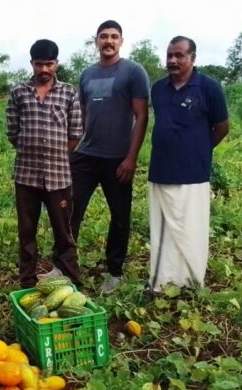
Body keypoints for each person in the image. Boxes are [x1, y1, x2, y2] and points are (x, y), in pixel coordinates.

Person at [68, 20, 150, 294]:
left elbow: (142, 116)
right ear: (96, 41)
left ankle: (114, 271)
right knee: (69, 211)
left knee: (120, 216)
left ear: (121, 41)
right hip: (86, 155)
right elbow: (80, 115)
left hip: (118, 158)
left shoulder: (133, 72)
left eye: (114, 36)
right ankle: (65, 266)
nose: (109, 41)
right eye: (104, 36)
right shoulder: (87, 74)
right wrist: (71, 149)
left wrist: (131, 157)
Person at [148, 36, 229, 291]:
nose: (173, 60)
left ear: (192, 57)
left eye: (179, 55)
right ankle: (161, 282)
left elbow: (222, 128)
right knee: (162, 232)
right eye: (170, 55)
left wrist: (198, 149)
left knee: (190, 229)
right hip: (160, 171)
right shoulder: (158, 88)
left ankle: (192, 282)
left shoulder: (209, 88)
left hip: (194, 173)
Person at [6, 39, 82, 289]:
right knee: (27, 232)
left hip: (58, 176)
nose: (44, 70)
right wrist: (33, 151)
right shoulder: (18, 92)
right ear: (32, 64)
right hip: (26, 176)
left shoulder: (69, 92)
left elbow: (75, 133)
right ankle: (27, 281)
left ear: (56, 63)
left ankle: (71, 279)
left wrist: (56, 155)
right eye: (39, 64)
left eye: (49, 64)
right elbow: (13, 132)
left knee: (64, 231)